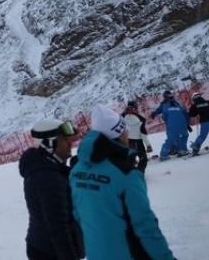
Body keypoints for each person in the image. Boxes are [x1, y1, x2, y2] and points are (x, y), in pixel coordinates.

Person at [71, 105, 178, 260]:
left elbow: (78, 215)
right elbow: (146, 227)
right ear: (119, 134)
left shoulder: (77, 170)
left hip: (96, 253)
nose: (128, 133)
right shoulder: (127, 174)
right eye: (125, 130)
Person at [20, 118, 84, 260]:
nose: (70, 143)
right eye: (63, 140)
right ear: (49, 144)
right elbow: (58, 228)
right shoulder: (48, 178)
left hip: (43, 246)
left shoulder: (46, 168)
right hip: (50, 252)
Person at [152, 90, 190, 158]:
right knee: (174, 137)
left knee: (174, 137)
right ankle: (174, 150)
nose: (164, 98)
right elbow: (159, 109)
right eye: (164, 97)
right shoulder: (166, 103)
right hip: (172, 124)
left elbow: (164, 115)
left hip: (172, 124)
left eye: (165, 97)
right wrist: (154, 112)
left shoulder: (173, 103)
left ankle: (177, 150)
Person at [122, 101, 152, 172]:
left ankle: (128, 174)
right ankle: (139, 174)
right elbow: (143, 134)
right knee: (143, 158)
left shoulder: (122, 119)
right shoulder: (141, 120)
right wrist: (148, 145)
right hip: (138, 142)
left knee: (130, 158)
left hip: (127, 141)